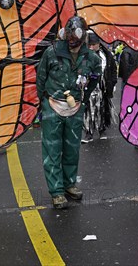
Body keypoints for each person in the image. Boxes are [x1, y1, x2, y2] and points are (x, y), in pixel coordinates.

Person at [36, 16, 101, 209]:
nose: (72, 44)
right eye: (70, 40)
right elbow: (41, 78)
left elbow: (94, 79)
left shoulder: (92, 58)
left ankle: (69, 184)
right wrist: (43, 102)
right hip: (52, 106)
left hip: (75, 108)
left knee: (72, 149)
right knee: (52, 149)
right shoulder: (52, 52)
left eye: (76, 41)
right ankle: (56, 192)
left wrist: (82, 98)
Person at [82, 32, 118, 143]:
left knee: (103, 109)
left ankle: (102, 130)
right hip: (89, 88)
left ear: (98, 43)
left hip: (103, 88)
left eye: (94, 44)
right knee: (88, 111)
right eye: (90, 45)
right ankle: (89, 133)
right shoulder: (84, 55)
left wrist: (112, 83)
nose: (92, 47)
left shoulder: (106, 55)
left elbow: (112, 70)